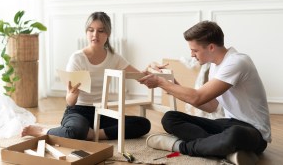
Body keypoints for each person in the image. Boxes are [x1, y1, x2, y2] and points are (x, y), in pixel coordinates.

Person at [139, 21, 271, 165]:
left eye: (195, 50)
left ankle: (180, 146)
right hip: (228, 124)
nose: (192, 54)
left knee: (234, 135)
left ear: (211, 47)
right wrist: (170, 84)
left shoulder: (237, 62)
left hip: (253, 132)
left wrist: (160, 82)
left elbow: (198, 97)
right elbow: (211, 106)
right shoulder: (216, 66)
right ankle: (223, 149)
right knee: (170, 118)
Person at [22, 11, 151, 141]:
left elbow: (140, 76)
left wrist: (151, 67)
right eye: (91, 30)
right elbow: (70, 101)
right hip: (77, 111)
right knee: (77, 130)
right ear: (86, 32)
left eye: (101, 31)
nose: (95, 35)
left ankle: (92, 134)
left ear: (108, 33)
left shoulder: (114, 58)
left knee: (143, 124)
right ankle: (43, 130)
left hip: (102, 113)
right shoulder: (77, 58)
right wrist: (73, 95)